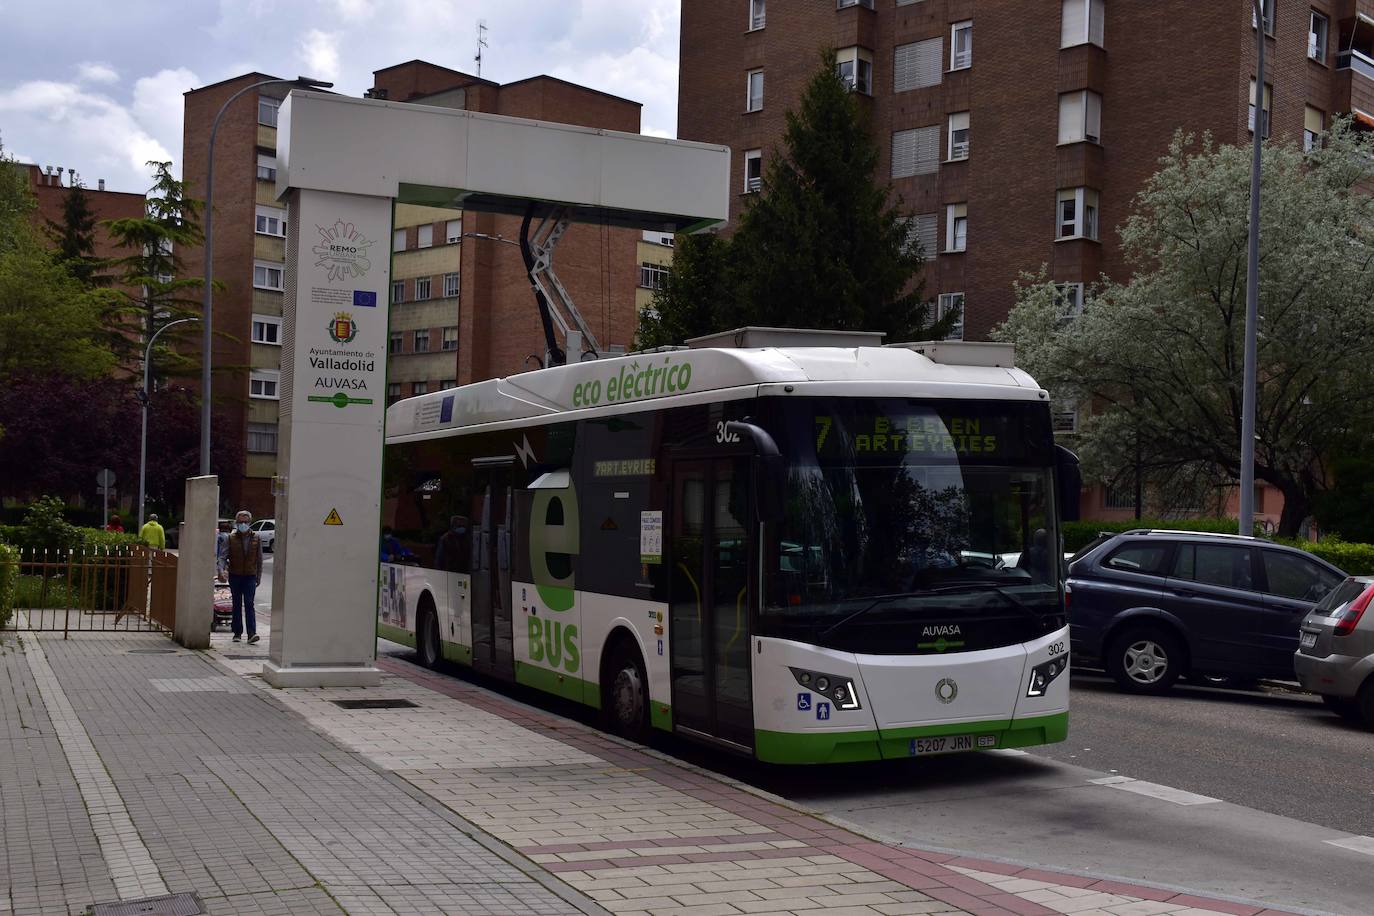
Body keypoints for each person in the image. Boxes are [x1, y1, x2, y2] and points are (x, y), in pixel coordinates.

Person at [225, 510, 263, 643]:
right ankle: (237, 632)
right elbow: (224, 556)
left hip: (250, 576)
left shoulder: (256, 538)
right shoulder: (231, 538)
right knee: (236, 603)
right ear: (236, 523)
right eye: (240, 522)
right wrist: (221, 570)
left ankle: (252, 633)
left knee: (249, 603)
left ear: (250, 523)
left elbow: (259, 559)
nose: (243, 524)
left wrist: (258, 576)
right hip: (235, 575)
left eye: (246, 522)